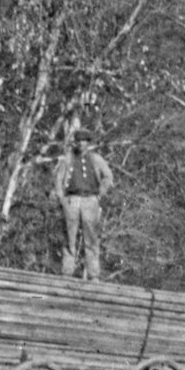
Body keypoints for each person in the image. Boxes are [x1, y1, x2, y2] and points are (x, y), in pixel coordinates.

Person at [52, 120, 115, 280]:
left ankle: (94, 275)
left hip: (90, 201)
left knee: (92, 238)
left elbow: (108, 176)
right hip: (72, 200)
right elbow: (58, 179)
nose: (81, 144)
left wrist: (100, 193)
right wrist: (62, 199)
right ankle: (67, 273)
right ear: (75, 143)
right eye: (78, 141)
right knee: (69, 237)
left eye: (84, 141)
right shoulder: (67, 159)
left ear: (88, 143)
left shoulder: (96, 159)